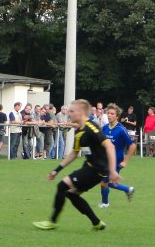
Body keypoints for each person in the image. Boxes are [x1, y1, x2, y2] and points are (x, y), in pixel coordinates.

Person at [33, 99, 121, 231]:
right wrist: (56, 170)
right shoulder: (79, 130)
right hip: (90, 167)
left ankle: (52, 221)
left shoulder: (91, 127)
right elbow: (74, 153)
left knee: (62, 186)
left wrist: (113, 171)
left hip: (96, 170)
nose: (69, 113)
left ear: (80, 113)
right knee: (71, 194)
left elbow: (110, 146)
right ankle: (97, 223)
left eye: (72, 111)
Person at [99, 103, 136, 208]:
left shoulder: (121, 129)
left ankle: (105, 203)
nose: (109, 115)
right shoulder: (105, 128)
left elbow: (132, 146)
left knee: (104, 182)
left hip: (116, 161)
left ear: (117, 116)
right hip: (106, 160)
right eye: (108, 113)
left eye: (112, 114)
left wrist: (125, 161)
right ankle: (128, 190)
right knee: (108, 182)